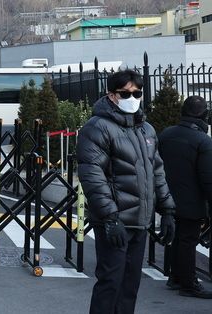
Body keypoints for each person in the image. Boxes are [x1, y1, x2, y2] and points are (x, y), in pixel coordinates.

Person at [76, 69, 176, 313]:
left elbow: (157, 172)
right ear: (111, 95)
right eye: (125, 93)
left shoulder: (147, 130)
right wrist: (110, 217)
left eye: (137, 92)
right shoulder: (97, 128)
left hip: (140, 222)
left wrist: (168, 210)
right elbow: (92, 176)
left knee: (130, 285)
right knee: (111, 282)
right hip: (115, 222)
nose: (132, 97)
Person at [159, 95, 212, 299]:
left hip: (167, 197)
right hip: (192, 200)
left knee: (175, 238)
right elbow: (208, 178)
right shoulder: (202, 141)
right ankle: (189, 283)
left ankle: (175, 277)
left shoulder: (166, 134)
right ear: (204, 115)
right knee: (188, 241)